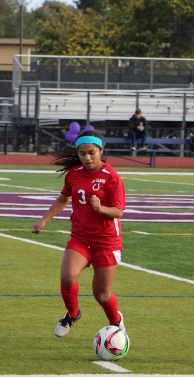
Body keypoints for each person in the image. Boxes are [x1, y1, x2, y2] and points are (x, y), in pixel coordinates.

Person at [31, 130, 126, 338]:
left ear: (101, 151)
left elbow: (118, 211)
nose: (87, 157)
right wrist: (44, 220)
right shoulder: (74, 173)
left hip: (106, 241)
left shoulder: (112, 177)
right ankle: (73, 314)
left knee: (101, 295)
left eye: (92, 152)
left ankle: (117, 324)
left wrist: (101, 208)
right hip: (81, 237)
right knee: (67, 276)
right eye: (82, 153)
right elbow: (63, 199)